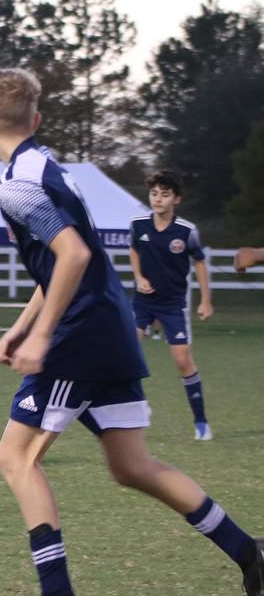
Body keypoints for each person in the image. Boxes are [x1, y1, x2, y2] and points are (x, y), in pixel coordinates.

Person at [0, 64, 263, 596]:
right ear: (38, 118)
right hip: (110, 328)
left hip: (79, 337)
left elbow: (73, 257)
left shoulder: (14, 185)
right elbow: (61, 259)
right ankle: (250, 553)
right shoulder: (49, 168)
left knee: (15, 458)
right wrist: (22, 325)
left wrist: (45, 335)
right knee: (132, 466)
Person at [128, 170, 213, 440]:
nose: (158, 199)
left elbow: (199, 262)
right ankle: (140, 406)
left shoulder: (187, 231)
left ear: (176, 199)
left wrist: (206, 300)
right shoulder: (139, 225)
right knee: (126, 350)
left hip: (173, 304)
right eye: (154, 194)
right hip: (143, 302)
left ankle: (201, 421)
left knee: (182, 360)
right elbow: (134, 250)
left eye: (165, 195)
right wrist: (139, 277)